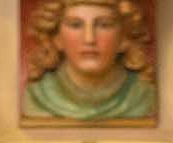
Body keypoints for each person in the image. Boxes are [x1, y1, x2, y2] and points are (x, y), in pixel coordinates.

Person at [23, 0, 158, 123]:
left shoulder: (143, 95)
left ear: (124, 38)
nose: (89, 39)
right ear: (57, 38)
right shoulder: (38, 96)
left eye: (104, 25)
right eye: (75, 25)